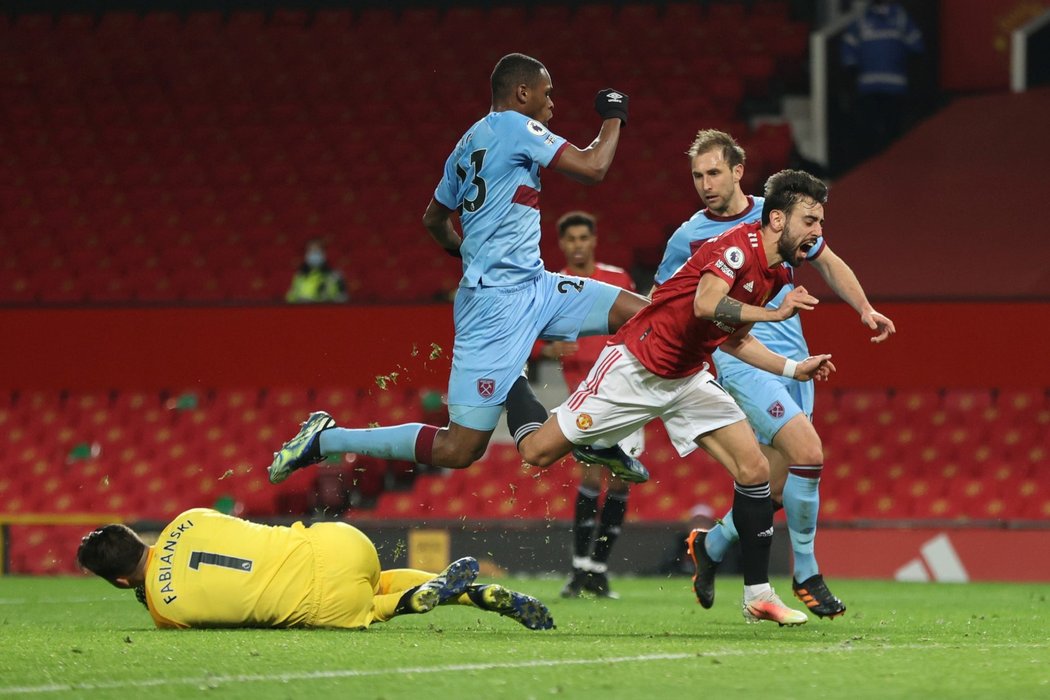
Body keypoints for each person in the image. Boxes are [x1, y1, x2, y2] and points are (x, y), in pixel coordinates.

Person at [266, 53, 647, 485]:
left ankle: (596, 434)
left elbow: (433, 219)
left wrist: (466, 252)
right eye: (548, 93)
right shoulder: (513, 125)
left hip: (536, 285)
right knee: (459, 448)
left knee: (645, 313)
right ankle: (326, 440)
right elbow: (593, 167)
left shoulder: (465, 144)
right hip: (493, 308)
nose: (552, 104)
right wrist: (614, 114)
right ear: (522, 93)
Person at [514, 170, 838, 626]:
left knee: (755, 468)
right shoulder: (735, 247)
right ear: (779, 220)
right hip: (636, 367)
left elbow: (734, 338)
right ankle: (509, 381)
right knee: (537, 451)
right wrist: (775, 313)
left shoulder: (777, 269)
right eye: (811, 220)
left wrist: (791, 368)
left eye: (821, 222)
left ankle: (758, 595)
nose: (818, 232)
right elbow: (707, 304)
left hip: (688, 377)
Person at [653, 129, 895, 619]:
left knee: (776, 486)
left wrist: (864, 308)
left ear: (739, 171)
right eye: (698, 175)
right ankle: (806, 574)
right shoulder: (689, 236)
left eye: (714, 172)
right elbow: (665, 300)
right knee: (808, 453)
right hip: (738, 359)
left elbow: (827, 262)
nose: (705, 183)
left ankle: (712, 547)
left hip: (792, 362)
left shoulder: (781, 215)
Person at [76, 507, 554, 631]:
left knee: (370, 604)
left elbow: (167, 591)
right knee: (378, 575)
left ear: (120, 581)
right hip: (338, 541)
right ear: (139, 538)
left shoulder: (163, 611)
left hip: (324, 601)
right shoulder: (190, 518)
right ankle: (472, 593)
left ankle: (411, 603)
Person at [538, 211, 644, 599]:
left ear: (594, 240)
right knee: (590, 476)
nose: (578, 244)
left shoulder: (617, 279)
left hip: (628, 393)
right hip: (582, 395)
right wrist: (547, 347)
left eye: (585, 237)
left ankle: (597, 569)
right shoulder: (551, 284)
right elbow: (529, 332)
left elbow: (640, 322)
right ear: (563, 244)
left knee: (619, 480)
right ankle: (579, 568)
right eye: (571, 239)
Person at [840, 0, 924, 157]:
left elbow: (917, 47)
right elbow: (848, 54)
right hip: (869, 89)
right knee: (870, 135)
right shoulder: (862, 21)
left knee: (893, 134)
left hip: (895, 88)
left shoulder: (900, 17)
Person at [286, 238, 349, 303]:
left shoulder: (334, 275)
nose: (314, 254)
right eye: (311, 251)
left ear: (323, 253)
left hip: (325, 310)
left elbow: (342, 298)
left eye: (317, 251)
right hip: (303, 310)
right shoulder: (300, 275)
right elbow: (292, 296)